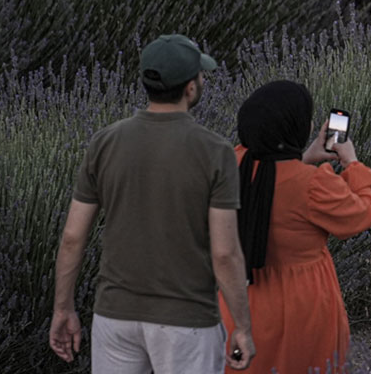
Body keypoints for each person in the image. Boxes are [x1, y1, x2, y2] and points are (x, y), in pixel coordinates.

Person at [50, 34, 255, 372]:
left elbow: (72, 237)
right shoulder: (215, 151)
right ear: (190, 88)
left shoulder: (105, 142)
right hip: (186, 320)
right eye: (201, 76)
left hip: (114, 316)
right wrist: (243, 327)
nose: (203, 81)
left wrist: (62, 309)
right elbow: (225, 253)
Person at [221, 80, 371, 374]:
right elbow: (361, 214)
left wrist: (304, 156)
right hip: (301, 303)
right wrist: (353, 164)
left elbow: (269, 184)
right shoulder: (313, 183)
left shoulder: (233, 161)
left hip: (240, 297)